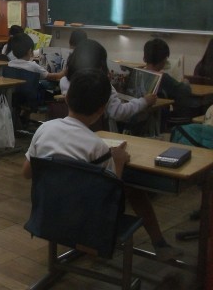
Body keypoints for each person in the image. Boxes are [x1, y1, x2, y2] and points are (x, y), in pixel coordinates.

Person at [23, 68, 183, 262]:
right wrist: (118, 160)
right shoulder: (97, 147)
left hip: (46, 213)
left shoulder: (44, 129)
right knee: (134, 189)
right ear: (101, 109)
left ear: (67, 98)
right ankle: (159, 243)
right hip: (86, 221)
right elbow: (110, 193)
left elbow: (27, 172)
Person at [59, 39, 157, 132]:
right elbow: (118, 113)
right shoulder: (103, 87)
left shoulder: (64, 82)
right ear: (100, 65)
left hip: (73, 131)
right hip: (103, 135)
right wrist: (144, 101)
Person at [143, 38, 192, 118]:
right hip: (160, 118)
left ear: (144, 57)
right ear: (163, 60)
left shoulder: (139, 74)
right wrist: (186, 83)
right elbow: (184, 91)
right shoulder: (163, 78)